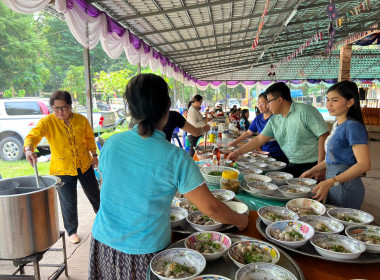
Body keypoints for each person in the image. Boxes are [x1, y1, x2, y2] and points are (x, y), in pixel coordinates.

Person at [88, 74, 248, 279]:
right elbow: (211, 208)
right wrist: (241, 221)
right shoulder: (176, 157)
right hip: (143, 253)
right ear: (168, 107)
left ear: (130, 109)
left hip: (102, 242)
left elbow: (107, 188)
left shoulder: (111, 143)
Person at [24, 91, 100, 244]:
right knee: (68, 201)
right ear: (52, 108)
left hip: (84, 164)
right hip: (62, 168)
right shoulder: (47, 122)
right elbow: (34, 135)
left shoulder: (81, 120)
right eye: (56, 108)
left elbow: (89, 137)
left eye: (64, 107)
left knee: (94, 195)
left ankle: (105, 222)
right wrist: (28, 149)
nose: (60, 112)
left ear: (70, 106)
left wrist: (94, 154)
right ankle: (71, 231)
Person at [228, 82, 329, 179]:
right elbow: (259, 139)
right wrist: (237, 153)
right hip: (292, 163)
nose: (268, 106)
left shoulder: (305, 111)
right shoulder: (274, 119)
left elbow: (323, 135)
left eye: (269, 101)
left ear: (279, 100)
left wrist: (320, 167)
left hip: (313, 164)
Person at [300, 81, 371, 208]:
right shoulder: (337, 125)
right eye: (327, 100)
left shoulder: (352, 127)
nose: (329, 104)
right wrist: (312, 170)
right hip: (334, 182)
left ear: (350, 102)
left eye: (335, 100)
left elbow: (364, 164)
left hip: (346, 186)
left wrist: (331, 181)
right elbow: (333, 159)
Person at [230, 93, 288, 163]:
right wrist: (235, 142)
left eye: (262, 104)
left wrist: (237, 152)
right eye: (258, 103)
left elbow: (259, 139)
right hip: (264, 153)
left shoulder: (276, 118)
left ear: (269, 103)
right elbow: (248, 132)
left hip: (278, 155)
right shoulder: (258, 118)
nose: (259, 106)